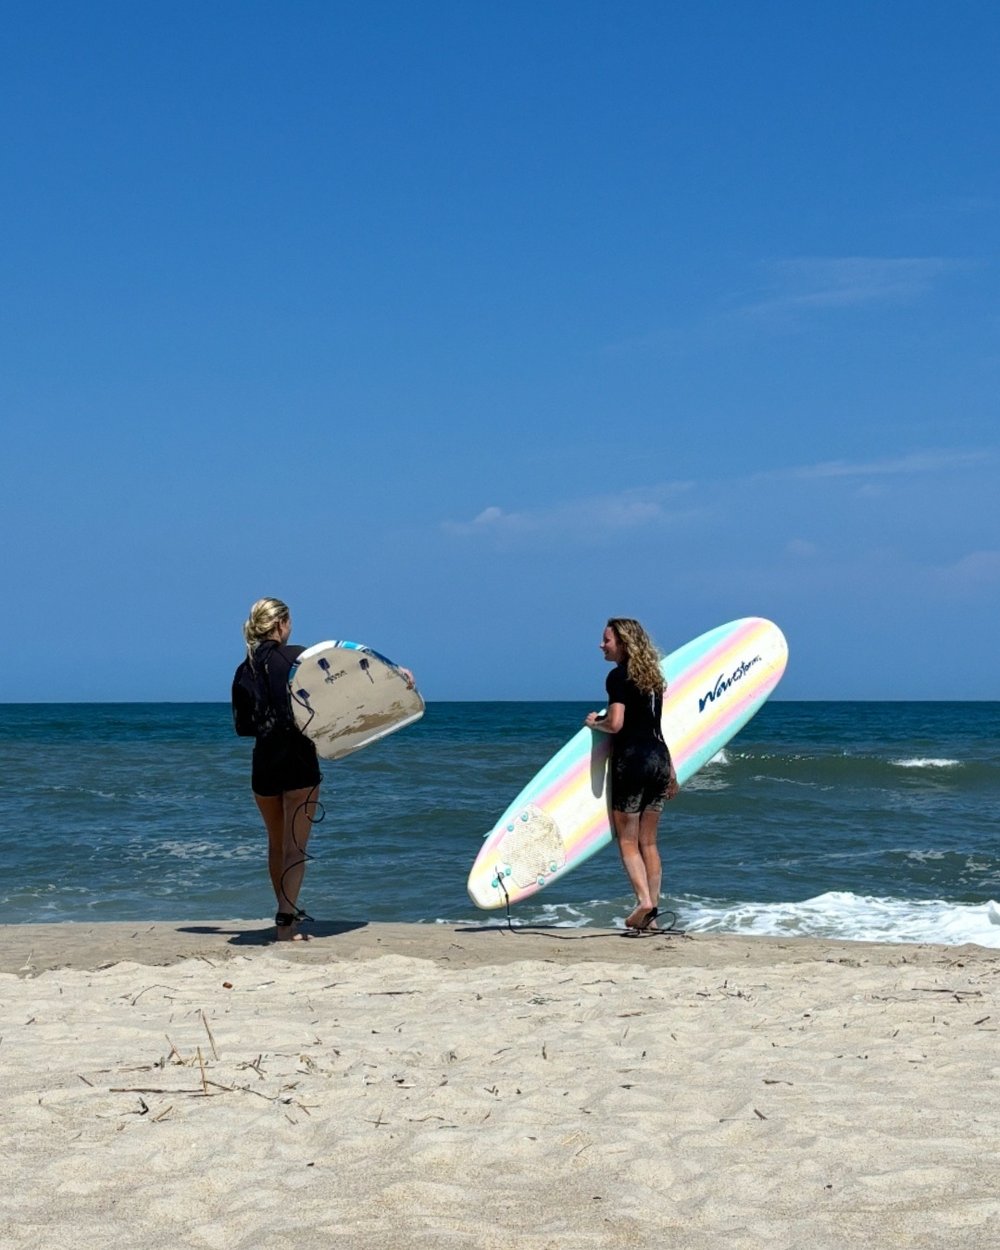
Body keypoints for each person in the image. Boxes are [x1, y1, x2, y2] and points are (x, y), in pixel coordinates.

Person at [232, 597, 322, 941]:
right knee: (295, 847)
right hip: (299, 760)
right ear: (281, 623)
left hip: (264, 763)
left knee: (276, 844)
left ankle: (285, 916)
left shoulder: (244, 669)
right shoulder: (298, 658)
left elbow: (244, 727)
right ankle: (286, 925)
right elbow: (340, 690)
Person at [585, 618, 678, 933]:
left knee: (627, 840)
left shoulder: (617, 677)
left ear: (623, 643)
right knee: (649, 843)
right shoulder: (653, 679)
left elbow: (616, 724)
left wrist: (593, 722)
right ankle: (651, 913)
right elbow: (656, 727)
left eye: (606, 640)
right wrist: (672, 772)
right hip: (659, 760)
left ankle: (643, 902)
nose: (602, 645)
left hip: (633, 762)